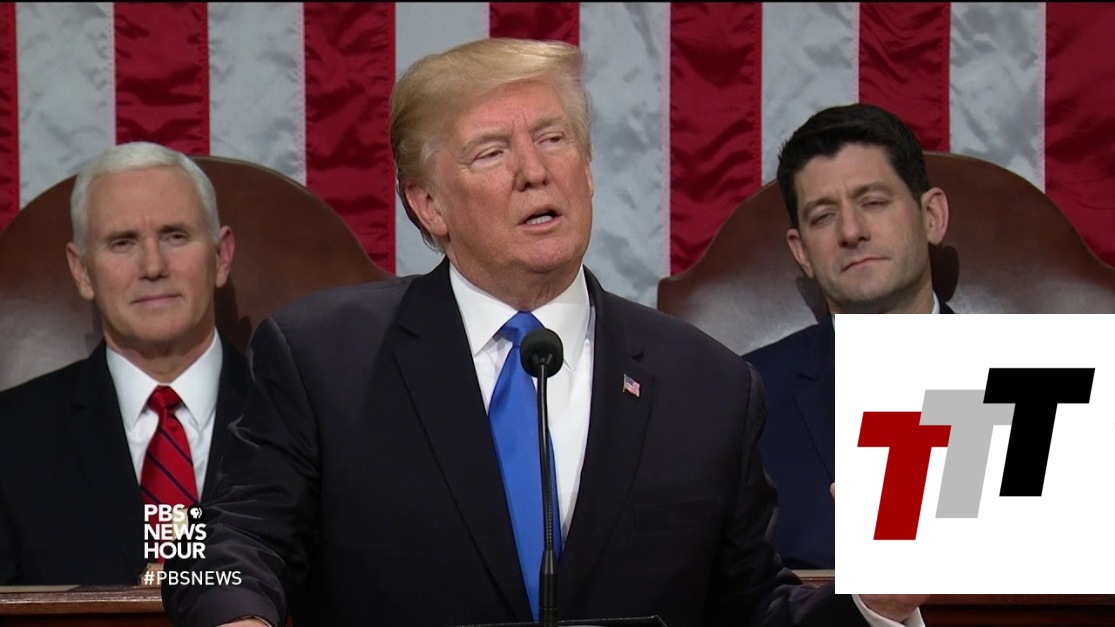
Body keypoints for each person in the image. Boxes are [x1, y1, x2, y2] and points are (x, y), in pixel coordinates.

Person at [162, 40, 924, 627]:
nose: (534, 171)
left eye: (554, 140)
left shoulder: (707, 384)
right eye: (492, 152)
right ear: (428, 204)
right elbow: (212, 548)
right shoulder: (322, 357)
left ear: (587, 171)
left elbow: (753, 606)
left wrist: (876, 604)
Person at [0, 141, 246, 585]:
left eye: (175, 236)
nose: (152, 266)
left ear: (220, 256)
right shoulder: (10, 438)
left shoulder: (300, 417)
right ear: (82, 271)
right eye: (122, 242)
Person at [743, 103, 951, 570]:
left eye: (873, 202)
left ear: (932, 216)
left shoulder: (1034, 374)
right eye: (823, 216)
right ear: (802, 252)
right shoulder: (744, 397)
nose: (851, 232)